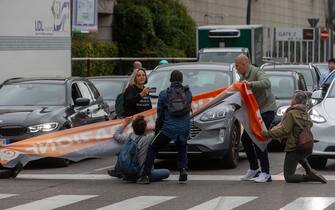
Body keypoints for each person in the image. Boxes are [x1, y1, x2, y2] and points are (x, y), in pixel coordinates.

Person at [137, 70, 192, 184]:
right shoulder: (188, 93)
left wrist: (158, 130)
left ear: (170, 80)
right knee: (182, 145)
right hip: (184, 127)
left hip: (169, 128)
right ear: (181, 80)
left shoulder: (164, 94)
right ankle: (183, 169)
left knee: (152, 147)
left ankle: (146, 175)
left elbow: (160, 115)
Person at [230, 54, 277, 183]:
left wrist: (250, 84)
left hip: (266, 110)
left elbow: (266, 83)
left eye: (237, 65)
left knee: (259, 138)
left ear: (244, 63)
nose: (236, 67)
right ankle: (254, 169)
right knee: (245, 138)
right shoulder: (242, 76)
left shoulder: (257, 72)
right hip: (255, 112)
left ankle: (266, 173)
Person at [262, 91, 327, 184]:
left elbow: (284, 130)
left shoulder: (292, 113)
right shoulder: (306, 113)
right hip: (305, 145)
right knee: (299, 155)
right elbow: (310, 125)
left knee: (289, 177)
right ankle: (310, 170)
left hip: (294, 147)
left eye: (293, 98)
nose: (291, 100)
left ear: (295, 101)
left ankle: (309, 177)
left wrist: (267, 134)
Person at [108, 115, 170, 182]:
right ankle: (139, 177)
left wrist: (125, 124)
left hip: (128, 171)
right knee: (167, 172)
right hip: (141, 173)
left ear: (133, 128)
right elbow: (161, 131)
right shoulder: (148, 138)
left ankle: (123, 173)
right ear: (145, 128)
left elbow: (116, 135)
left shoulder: (130, 137)